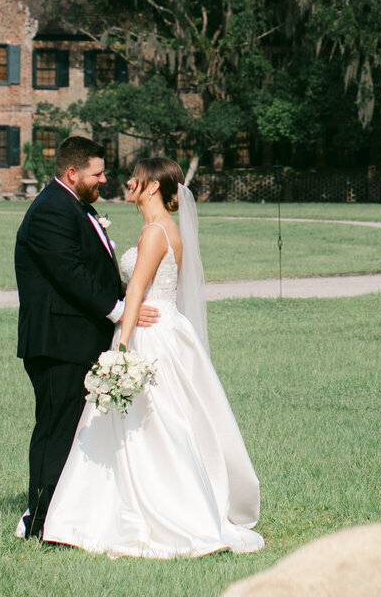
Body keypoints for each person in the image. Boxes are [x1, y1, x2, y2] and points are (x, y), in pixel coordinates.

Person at [40, 153, 263, 558]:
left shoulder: (153, 234)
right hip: (169, 330)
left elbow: (137, 292)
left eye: (135, 178)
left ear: (153, 185)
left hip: (148, 335)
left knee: (153, 425)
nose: (126, 182)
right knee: (167, 420)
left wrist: (120, 352)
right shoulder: (167, 230)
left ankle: (156, 507)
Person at [14, 134, 157, 540]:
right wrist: (119, 310)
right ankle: (41, 522)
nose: (104, 179)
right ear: (72, 172)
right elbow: (70, 274)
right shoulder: (50, 211)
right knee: (56, 429)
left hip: (75, 339)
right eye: (97, 173)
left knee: (72, 429)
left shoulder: (72, 207)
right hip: (57, 342)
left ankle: (62, 514)